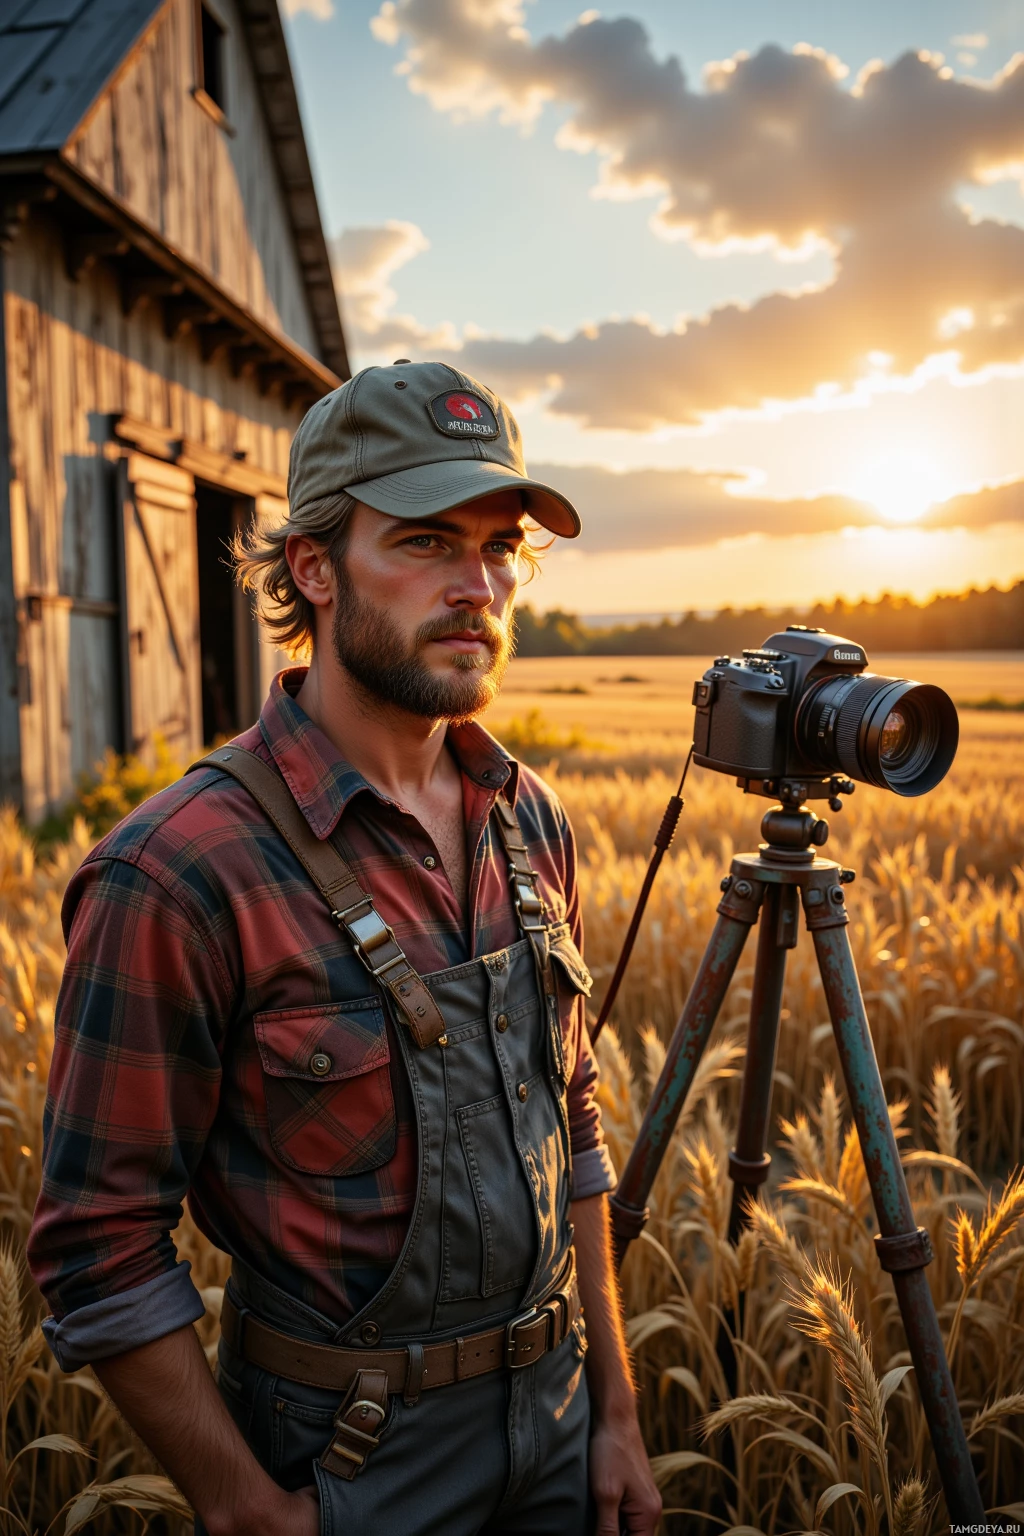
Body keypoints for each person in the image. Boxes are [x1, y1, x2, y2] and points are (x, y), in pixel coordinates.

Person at [28, 363, 662, 1536]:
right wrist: (245, 1508)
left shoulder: (527, 820)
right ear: (312, 568)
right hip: (353, 1459)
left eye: (501, 547)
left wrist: (614, 1417)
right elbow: (96, 1243)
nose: (477, 586)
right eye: (424, 541)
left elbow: (566, 1120)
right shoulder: (178, 870)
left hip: (561, 1424)